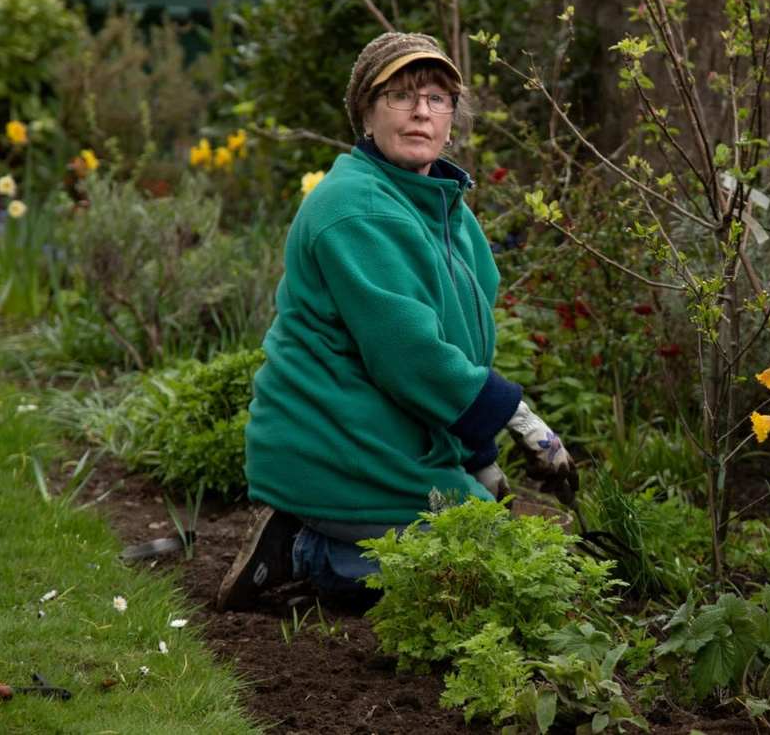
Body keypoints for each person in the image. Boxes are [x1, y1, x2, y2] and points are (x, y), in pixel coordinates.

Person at [216, 32, 578, 612]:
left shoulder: (445, 208)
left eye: (436, 98)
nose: (420, 112)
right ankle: (306, 549)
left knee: (500, 548)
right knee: (471, 564)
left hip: (392, 433)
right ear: (366, 113)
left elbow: (458, 346)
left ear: (451, 118)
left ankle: (331, 536)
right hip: (334, 438)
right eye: (400, 96)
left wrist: (478, 458)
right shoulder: (354, 207)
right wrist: (515, 415)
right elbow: (409, 353)